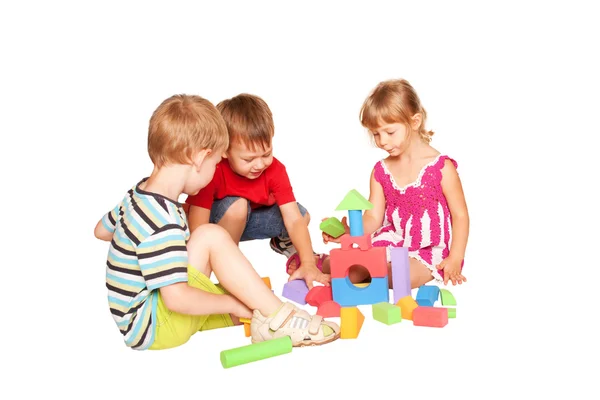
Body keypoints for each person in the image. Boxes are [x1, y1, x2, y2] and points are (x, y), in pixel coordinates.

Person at [93, 94, 339, 351]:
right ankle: (281, 317)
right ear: (200, 159)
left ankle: (262, 313)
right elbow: (176, 300)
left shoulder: (137, 194)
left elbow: (101, 230)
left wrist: (137, 246)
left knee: (250, 303)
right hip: (157, 327)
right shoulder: (161, 221)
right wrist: (230, 303)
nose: (215, 170)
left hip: (145, 320)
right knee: (210, 237)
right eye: (214, 162)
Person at [318, 79, 470, 288]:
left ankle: (355, 268)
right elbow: (373, 217)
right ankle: (319, 261)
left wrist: (456, 257)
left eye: (389, 132)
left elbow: (460, 215)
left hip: (426, 249)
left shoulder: (441, 168)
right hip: (391, 240)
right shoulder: (381, 171)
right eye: (376, 134)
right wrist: (352, 232)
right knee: (349, 272)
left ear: (414, 122)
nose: (382, 141)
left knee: (398, 277)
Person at [184, 93, 328, 289]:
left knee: (302, 215)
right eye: (248, 159)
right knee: (238, 206)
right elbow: (198, 223)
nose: (260, 164)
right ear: (224, 150)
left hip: (250, 220)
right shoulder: (214, 169)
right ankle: (226, 266)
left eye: (266, 154)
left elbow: (293, 219)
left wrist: (308, 263)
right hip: (216, 225)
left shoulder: (275, 169)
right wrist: (200, 264)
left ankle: (282, 243)